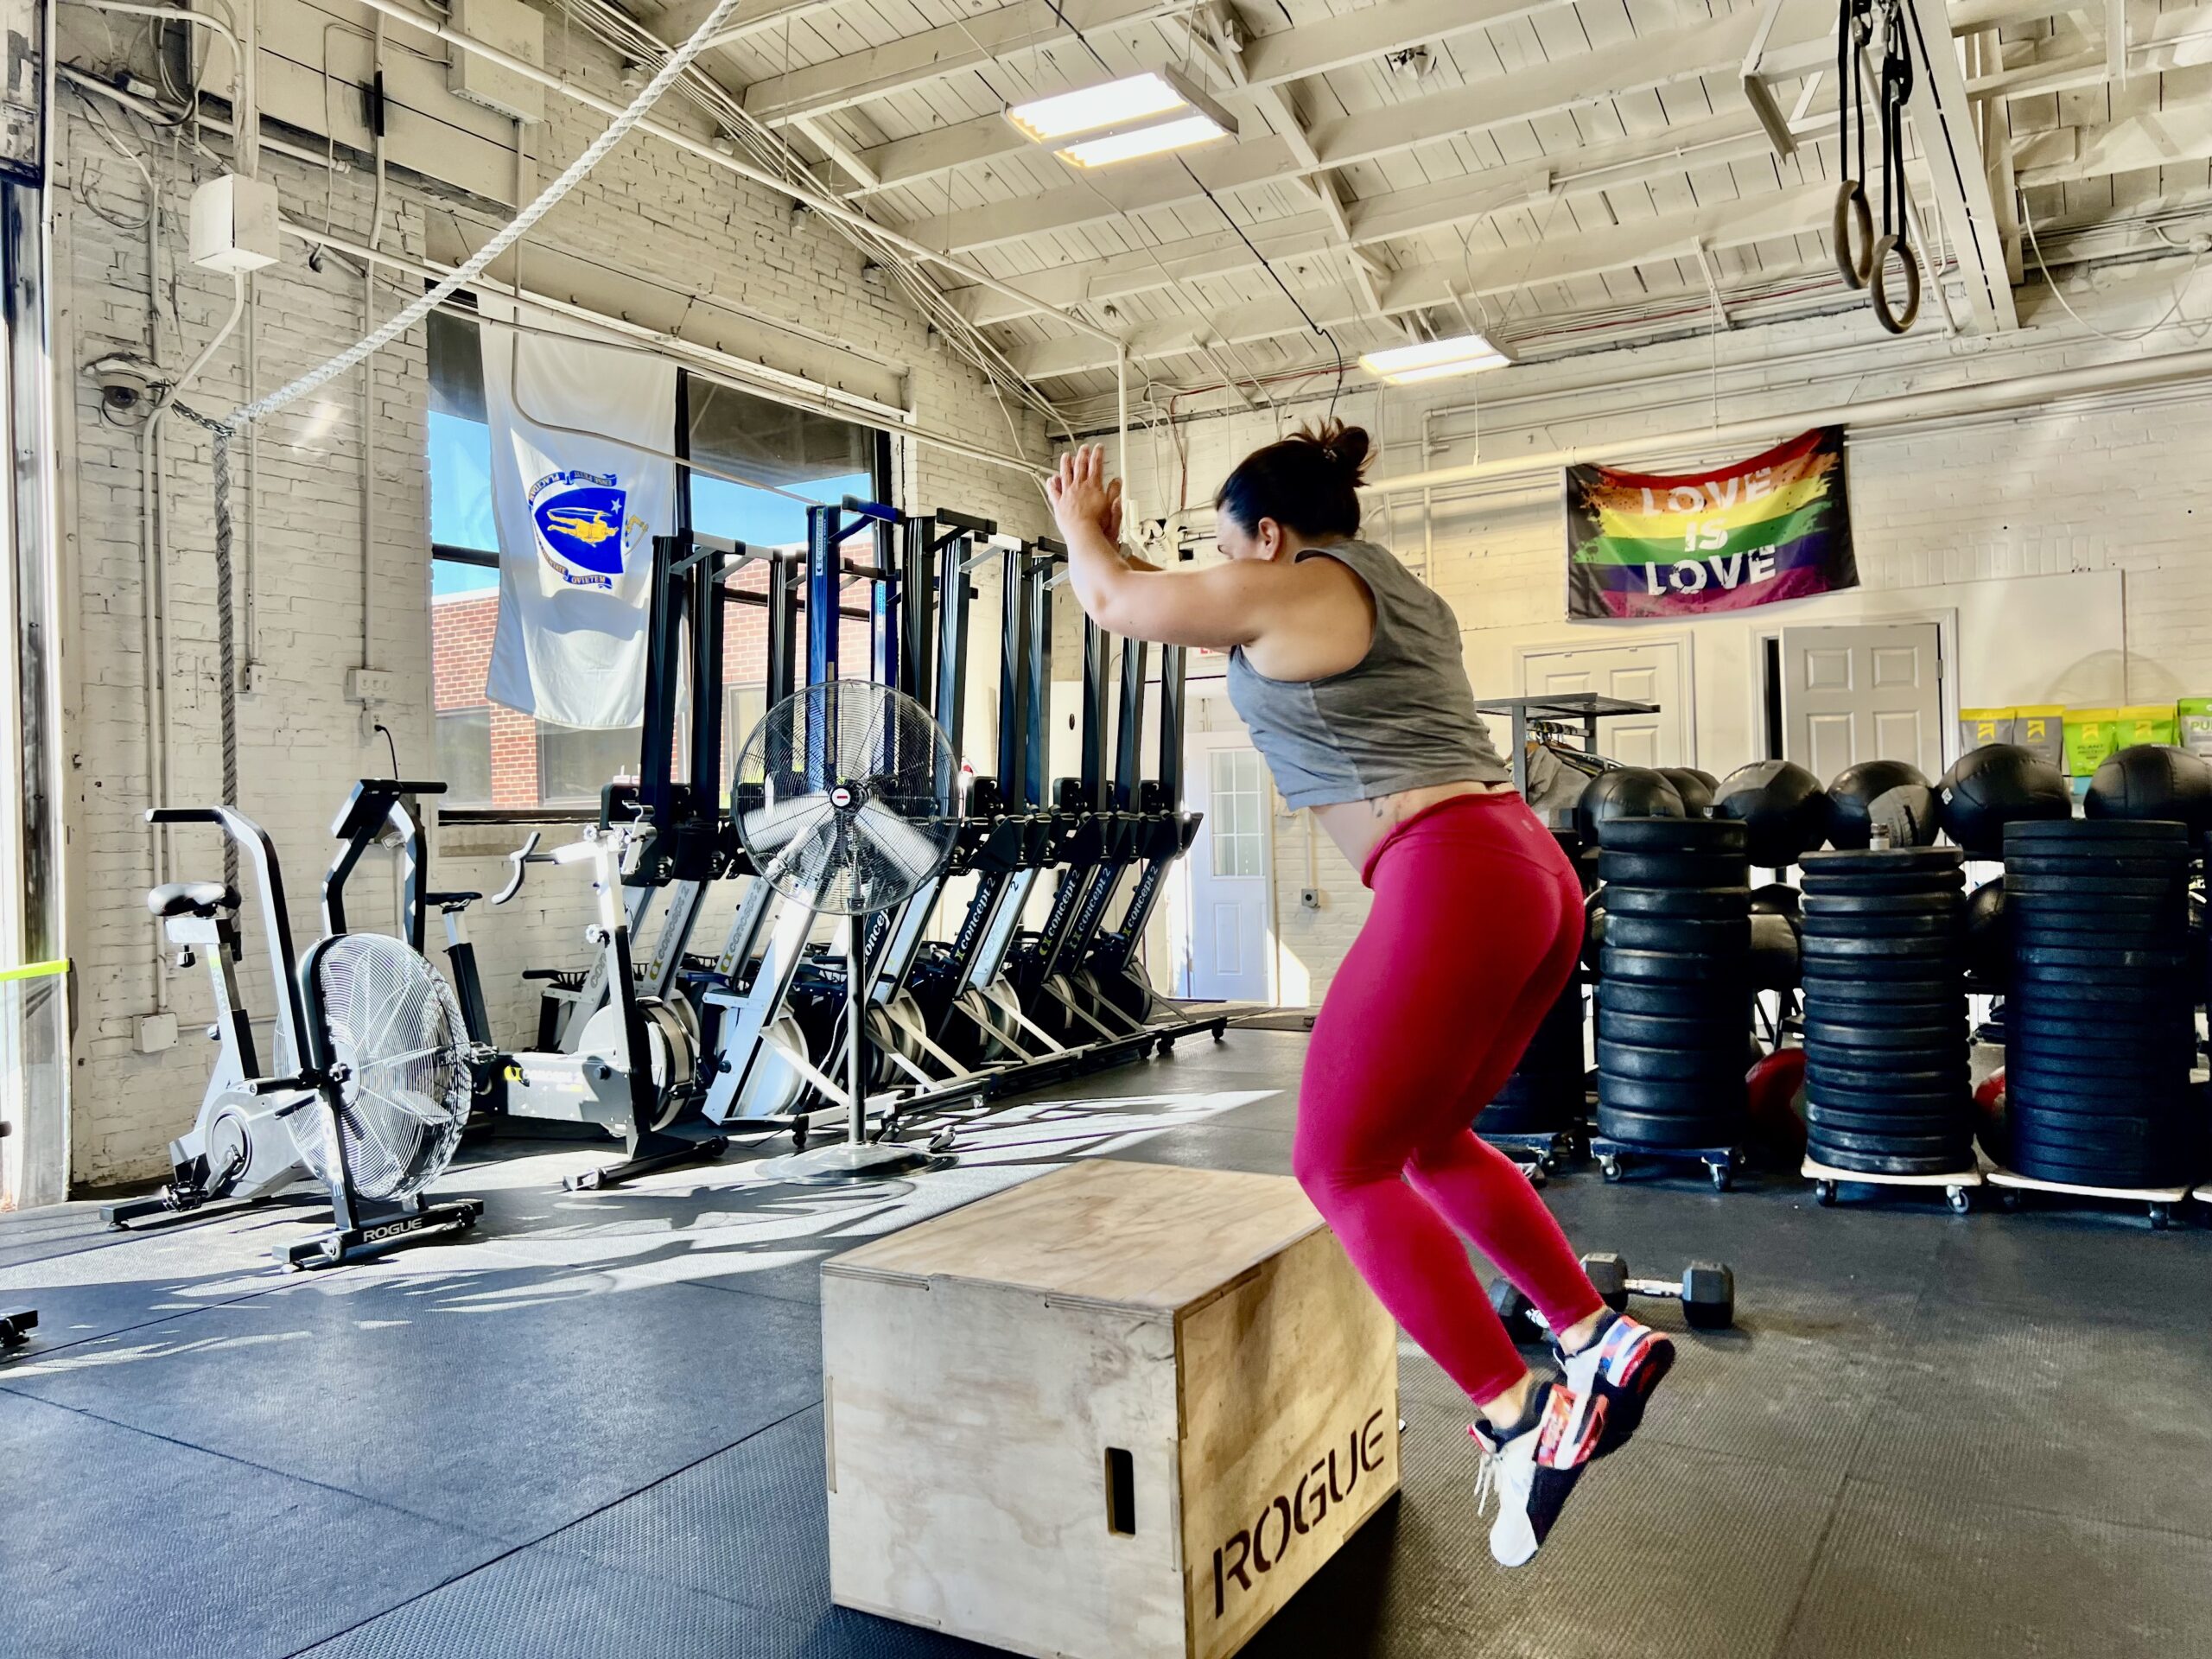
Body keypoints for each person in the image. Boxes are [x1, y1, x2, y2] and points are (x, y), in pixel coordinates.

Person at [1046, 423, 1674, 1567]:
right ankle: (1594, 1337)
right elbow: (1161, 596)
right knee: (1430, 1144)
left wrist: (1081, 527)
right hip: (1527, 869)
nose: (1226, 571)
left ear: (1268, 536)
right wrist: (1128, 553)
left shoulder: (1294, 584)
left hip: (1454, 874)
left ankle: (1516, 1415)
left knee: (1338, 1166)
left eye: (1227, 548)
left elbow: (1113, 603)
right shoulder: (1395, 591)